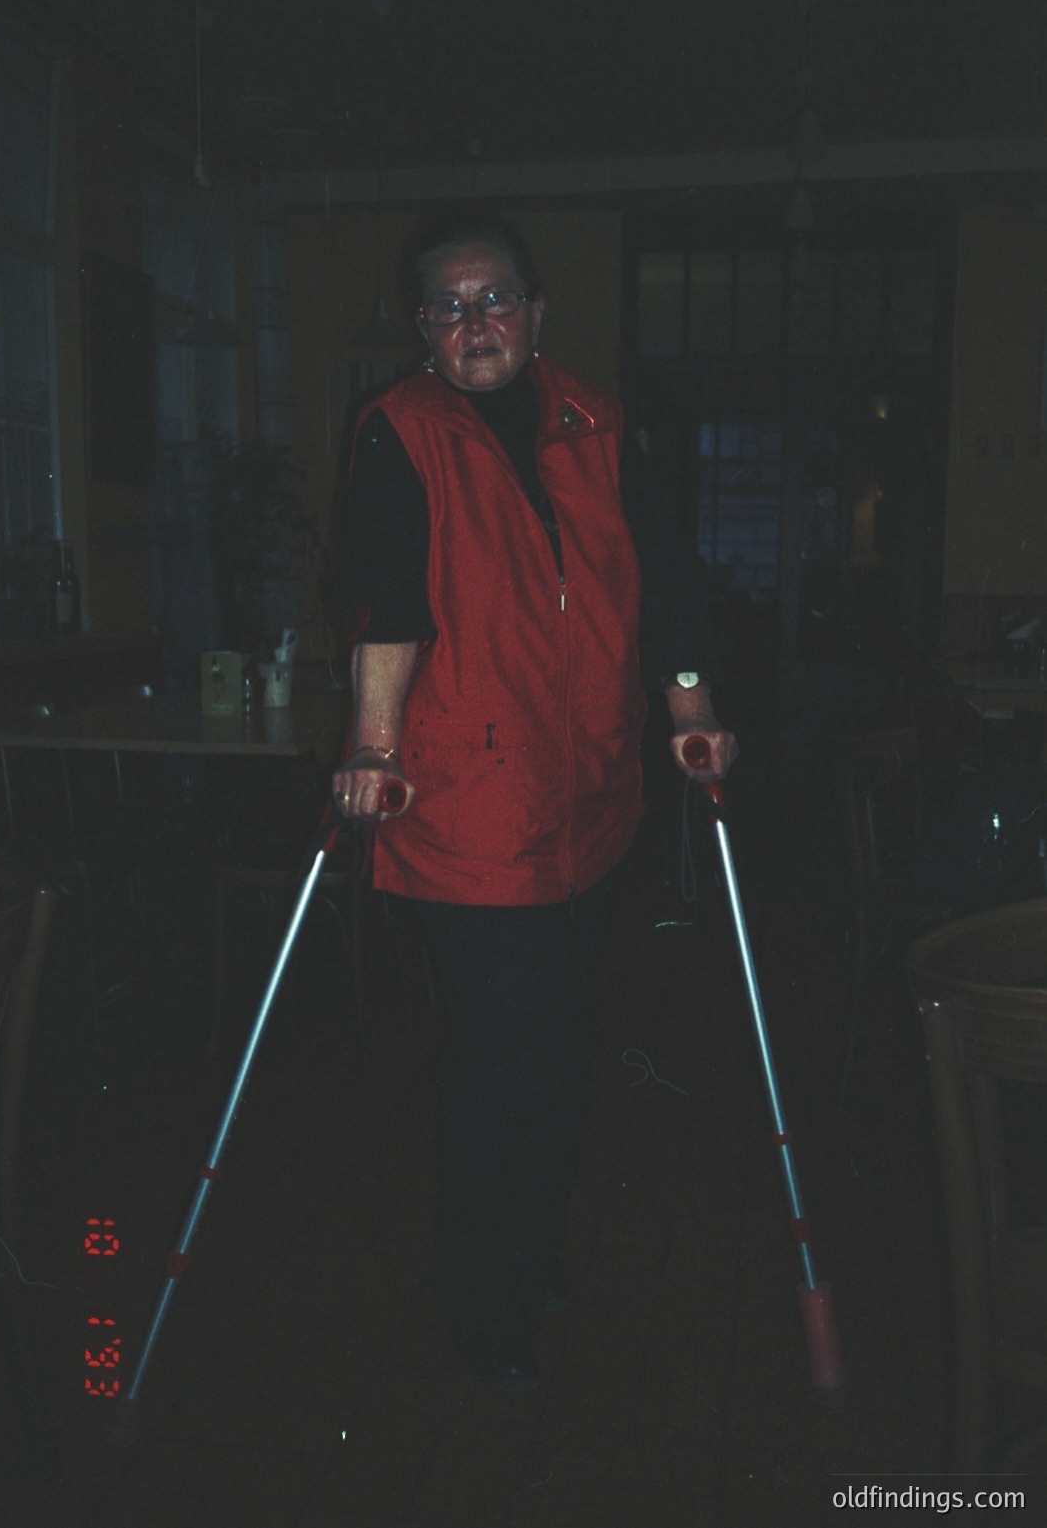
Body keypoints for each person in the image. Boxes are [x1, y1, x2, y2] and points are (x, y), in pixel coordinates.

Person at [329, 212, 737, 1391]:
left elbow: (664, 584)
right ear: (422, 330)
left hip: (589, 797)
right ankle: (483, 1292)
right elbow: (387, 602)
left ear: (536, 312)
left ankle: (535, 1248)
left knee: (557, 1051)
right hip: (468, 803)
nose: (474, 324)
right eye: (448, 307)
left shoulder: (599, 425)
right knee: (499, 1057)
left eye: (494, 298)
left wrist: (688, 709)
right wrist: (369, 741)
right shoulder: (400, 430)